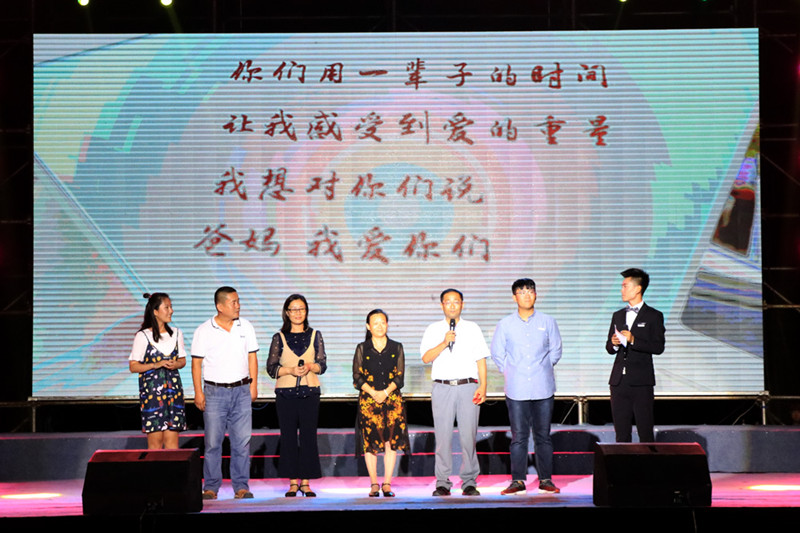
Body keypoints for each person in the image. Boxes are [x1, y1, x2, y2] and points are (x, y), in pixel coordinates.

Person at [491, 279, 562, 495]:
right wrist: (511, 372)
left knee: (543, 436)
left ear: (536, 295)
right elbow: (497, 353)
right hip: (517, 388)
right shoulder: (505, 324)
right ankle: (518, 481)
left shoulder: (548, 321)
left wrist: (543, 368)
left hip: (543, 386)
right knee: (519, 437)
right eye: (521, 292)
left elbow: (556, 350)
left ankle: (546, 480)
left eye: (530, 291)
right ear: (515, 297)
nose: (527, 295)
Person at [191, 286, 259, 500]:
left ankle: (241, 487)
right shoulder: (204, 330)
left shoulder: (245, 326)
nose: (238, 306)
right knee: (213, 443)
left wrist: (253, 385)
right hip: (214, 392)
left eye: (238, 301)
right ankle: (211, 487)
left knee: (242, 442)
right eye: (233, 302)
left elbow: (252, 357)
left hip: (241, 390)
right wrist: (198, 392)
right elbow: (196, 363)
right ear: (220, 306)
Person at [420, 288, 489, 496]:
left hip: (468, 386)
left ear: (462, 304)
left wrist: (483, 386)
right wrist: (444, 342)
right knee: (443, 438)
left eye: (456, 301)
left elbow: (481, 359)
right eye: (448, 302)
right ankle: (442, 482)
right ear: (442, 305)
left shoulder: (472, 328)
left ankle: (469, 481)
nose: (452, 305)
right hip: (442, 387)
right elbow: (426, 358)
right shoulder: (433, 329)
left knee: (468, 436)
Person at [267, 294, 327, 498]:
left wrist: (311, 366)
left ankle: (306, 482)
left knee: (308, 437)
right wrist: (290, 370)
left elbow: (322, 365)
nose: (298, 313)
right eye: (293, 309)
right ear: (287, 312)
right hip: (286, 394)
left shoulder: (315, 335)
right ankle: (293, 482)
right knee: (289, 437)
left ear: (306, 311)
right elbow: (271, 368)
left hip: (310, 392)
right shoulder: (279, 337)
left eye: (301, 309)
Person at [353, 309, 410, 497]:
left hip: (392, 402)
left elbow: (400, 377)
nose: (379, 326)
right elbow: (357, 377)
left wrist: (385, 393)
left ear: (387, 324)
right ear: (368, 326)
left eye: (383, 322)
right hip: (369, 402)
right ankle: (373, 484)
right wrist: (373, 393)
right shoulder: (362, 348)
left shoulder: (396, 347)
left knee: (390, 443)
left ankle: (387, 483)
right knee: (370, 443)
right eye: (375, 323)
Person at [605, 268, 665, 443]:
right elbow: (609, 348)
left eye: (625, 286)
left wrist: (633, 340)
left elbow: (658, 347)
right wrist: (614, 343)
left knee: (645, 432)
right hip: (618, 382)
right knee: (621, 434)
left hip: (641, 381)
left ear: (638, 288)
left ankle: (647, 461)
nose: (621, 290)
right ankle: (623, 462)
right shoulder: (618, 315)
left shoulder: (654, 315)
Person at [129, 292, 187, 449]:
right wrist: (156, 364)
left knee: (172, 445)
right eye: (166, 307)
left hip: (173, 394)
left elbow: (182, 361)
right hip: (153, 395)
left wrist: (176, 364)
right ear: (155, 311)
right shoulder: (143, 336)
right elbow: (133, 366)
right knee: (155, 445)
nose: (171, 311)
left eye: (171, 307)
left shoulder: (176, 333)